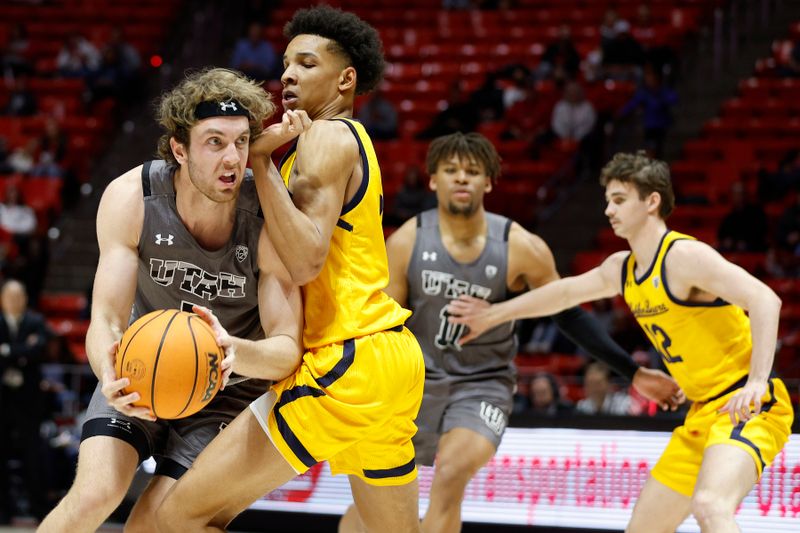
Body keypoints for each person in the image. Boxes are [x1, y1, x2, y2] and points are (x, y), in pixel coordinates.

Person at [156, 7, 425, 533]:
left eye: (305, 63)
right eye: (285, 64)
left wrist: (258, 162)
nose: (287, 75)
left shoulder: (326, 137)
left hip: (345, 359)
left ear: (345, 79)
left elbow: (305, 259)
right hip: (389, 360)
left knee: (182, 517)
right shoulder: (339, 141)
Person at [342, 132, 682, 533]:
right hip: (415, 383)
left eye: (473, 172)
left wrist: (633, 372)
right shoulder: (407, 241)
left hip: (483, 385)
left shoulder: (520, 246)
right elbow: (384, 327)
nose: (462, 179)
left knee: (450, 476)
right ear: (433, 180)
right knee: (375, 504)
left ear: (489, 182)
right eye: (451, 171)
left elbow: (568, 314)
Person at [449, 151, 794, 533]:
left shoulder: (684, 256)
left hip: (746, 406)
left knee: (711, 506)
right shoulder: (623, 268)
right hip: (701, 414)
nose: (609, 211)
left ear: (651, 201)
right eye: (607, 201)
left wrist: (758, 382)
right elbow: (563, 294)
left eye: (619, 200)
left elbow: (765, 300)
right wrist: (493, 314)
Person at [38, 67, 304, 532]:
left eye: (242, 142)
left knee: (155, 525)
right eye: (215, 142)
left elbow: (287, 349)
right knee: (93, 496)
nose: (232, 158)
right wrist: (111, 374)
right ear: (179, 148)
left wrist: (232, 351)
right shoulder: (131, 197)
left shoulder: (265, 218)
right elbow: (105, 317)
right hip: (140, 368)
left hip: (226, 392)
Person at [0, 280, 50, 521]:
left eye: (18, 296)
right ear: (2, 299)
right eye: (9, 297)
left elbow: (40, 349)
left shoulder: (36, 322)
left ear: (25, 299)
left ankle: (39, 509)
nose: (13, 301)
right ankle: (4, 511)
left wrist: (7, 351)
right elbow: (28, 351)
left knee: (33, 455)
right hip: (3, 400)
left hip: (28, 403)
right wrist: (22, 351)